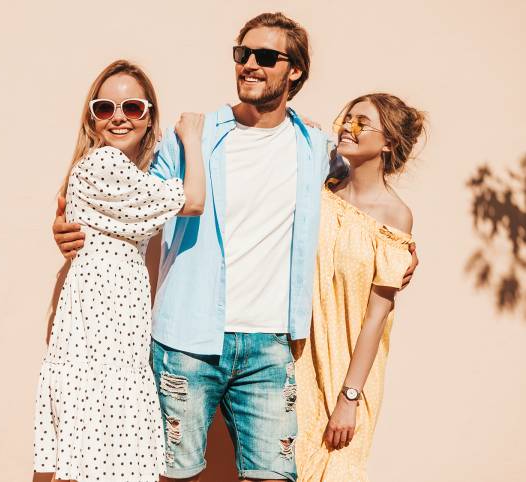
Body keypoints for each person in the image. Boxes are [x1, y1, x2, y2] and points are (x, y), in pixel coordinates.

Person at [53, 13, 419, 482]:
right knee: (171, 474)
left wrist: (399, 247)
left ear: (296, 72)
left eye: (265, 57)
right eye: (242, 54)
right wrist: (67, 227)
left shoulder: (316, 149)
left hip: (271, 347)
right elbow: (134, 204)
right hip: (187, 340)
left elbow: (359, 209)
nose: (249, 64)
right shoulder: (196, 139)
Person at [33, 59, 205, 482]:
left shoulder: (126, 173)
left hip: (111, 331)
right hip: (100, 334)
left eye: (132, 108)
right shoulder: (103, 165)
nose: (119, 118)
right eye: (105, 108)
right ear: (92, 121)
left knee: (104, 458)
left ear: (148, 118)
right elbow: (194, 201)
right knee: (106, 456)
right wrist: (193, 138)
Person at [293, 93, 426, 482]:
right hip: (296, 359)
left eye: (362, 122)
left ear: (388, 143)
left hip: (350, 371)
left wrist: (349, 398)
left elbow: (375, 318)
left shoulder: (395, 215)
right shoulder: (321, 187)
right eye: (347, 117)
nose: (348, 127)